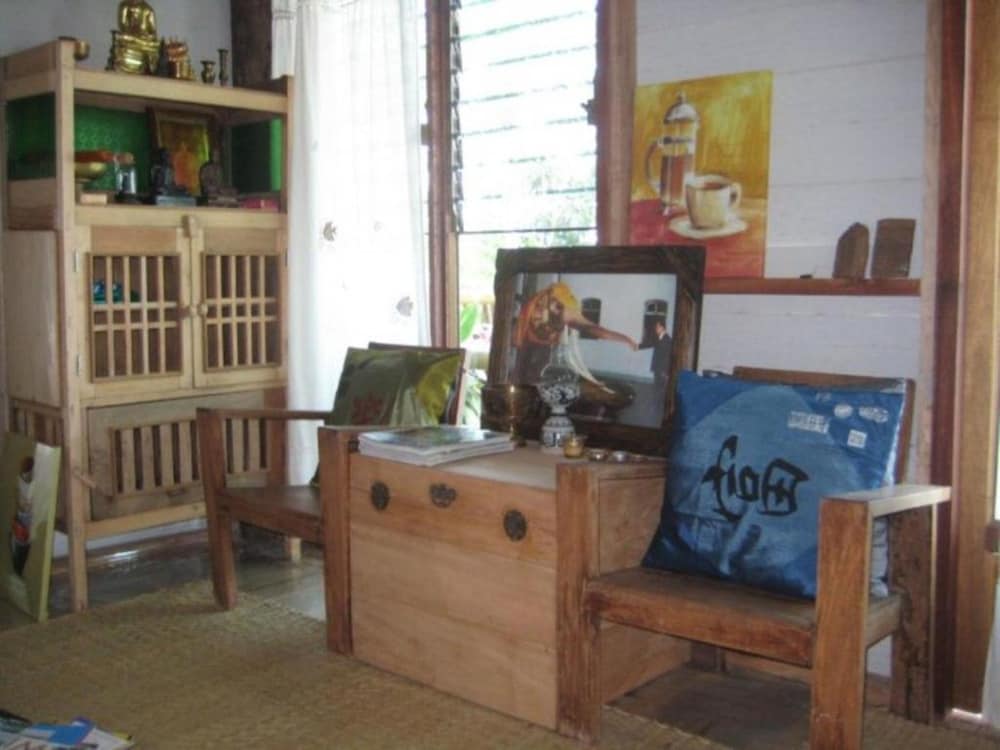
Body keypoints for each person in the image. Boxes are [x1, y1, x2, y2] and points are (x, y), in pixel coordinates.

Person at [513, 281, 637, 384]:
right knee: (521, 369)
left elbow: (595, 329)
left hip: (543, 344)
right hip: (527, 338)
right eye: (554, 304)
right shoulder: (538, 303)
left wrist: (625, 339)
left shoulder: (567, 313)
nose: (555, 309)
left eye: (558, 308)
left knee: (536, 374)